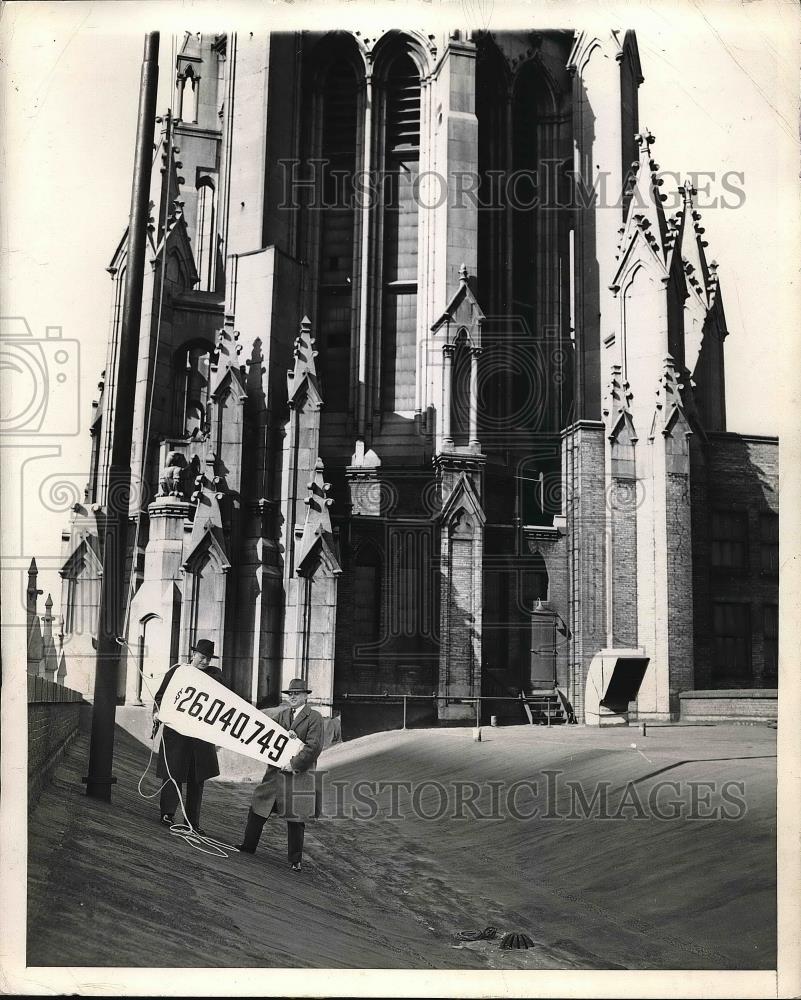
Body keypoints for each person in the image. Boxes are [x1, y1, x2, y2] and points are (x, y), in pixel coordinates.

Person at [238, 678, 324, 872]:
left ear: (305, 696)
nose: (292, 697)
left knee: (296, 818)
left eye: (297, 694)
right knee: (259, 804)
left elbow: (314, 747)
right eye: (290, 694)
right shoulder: (282, 715)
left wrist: (293, 764)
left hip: (299, 776)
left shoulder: (314, 718)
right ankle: (248, 846)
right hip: (276, 774)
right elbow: (269, 736)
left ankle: (295, 860)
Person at [152, 638, 223, 835]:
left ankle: (193, 822)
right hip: (177, 734)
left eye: (208, 659)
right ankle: (167, 813)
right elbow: (161, 696)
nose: (205, 662)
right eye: (202, 657)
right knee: (172, 773)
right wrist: (157, 713)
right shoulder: (176, 671)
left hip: (201, 738)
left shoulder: (214, 676)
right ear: (193, 655)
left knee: (197, 779)